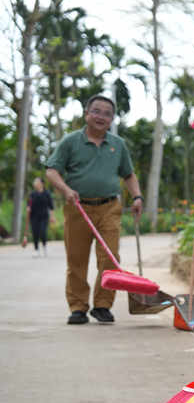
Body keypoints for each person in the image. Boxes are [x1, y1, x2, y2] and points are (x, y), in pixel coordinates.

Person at [45, 95, 143, 325]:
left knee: (110, 257)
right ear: (87, 113)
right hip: (77, 207)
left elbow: (128, 174)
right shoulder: (71, 142)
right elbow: (51, 170)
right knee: (77, 260)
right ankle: (78, 307)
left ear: (112, 119)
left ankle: (102, 305)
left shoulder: (118, 144)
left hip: (109, 207)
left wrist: (137, 196)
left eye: (107, 114)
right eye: (96, 111)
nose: (101, 117)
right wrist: (66, 190)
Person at [27, 177, 54, 257]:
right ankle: (36, 249)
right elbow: (28, 204)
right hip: (34, 217)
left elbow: (51, 206)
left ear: (42, 183)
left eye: (37, 182)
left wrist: (52, 217)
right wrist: (28, 208)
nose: (35, 183)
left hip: (44, 216)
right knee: (35, 233)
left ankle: (44, 247)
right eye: (34, 182)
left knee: (43, 232)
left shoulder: (47, 193)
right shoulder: (32, 194)